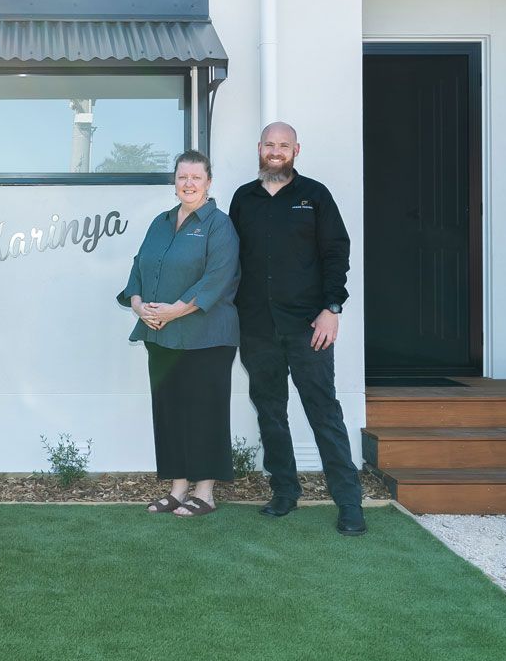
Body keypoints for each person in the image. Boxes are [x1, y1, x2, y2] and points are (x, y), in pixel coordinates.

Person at [229, 121, 366, 535]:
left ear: (296, 150)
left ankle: (349, 503)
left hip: (310, 327)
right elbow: (230, 260)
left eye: (283, 145)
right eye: (270, 144)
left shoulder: (315, 196)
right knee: (271, 412)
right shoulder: (243, 199)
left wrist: (332, 308)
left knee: (323, 412)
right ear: (259, 148)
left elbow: (336, 253)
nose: (276, 151)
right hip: (256, 327)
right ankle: (285, 492)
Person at [118, 150, 240, 517]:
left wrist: (174, 310)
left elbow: (217, 278)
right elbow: (140, 268)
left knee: (204, 413)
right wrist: (140, 305)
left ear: (208, 182)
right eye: (182, 177)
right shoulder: (160, 222)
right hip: (161, 336)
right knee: (169, 412)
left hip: (207, 337)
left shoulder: (219, 225)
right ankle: (177, 488)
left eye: (196, 178)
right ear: (174, 182)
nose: (189, 184)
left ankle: (205, 492)